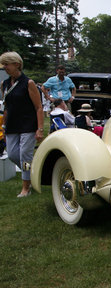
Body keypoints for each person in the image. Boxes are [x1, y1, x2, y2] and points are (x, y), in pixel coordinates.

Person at [0, 51, 44, 197]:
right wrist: (4, 125)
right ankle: (33, 171)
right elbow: (6, 107)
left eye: (7, 64)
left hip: (28, 125)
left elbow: (39, 107)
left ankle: (26, 187)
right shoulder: (4, 84)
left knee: (25, 155)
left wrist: (40, 129)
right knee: (12, 154)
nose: (4, 67)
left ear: (17, 64)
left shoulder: (29, 83)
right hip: (12, 125)